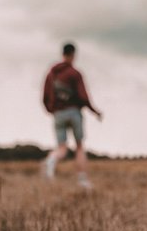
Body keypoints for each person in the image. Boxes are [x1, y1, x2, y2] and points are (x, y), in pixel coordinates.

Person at [42, 42, 103, 189]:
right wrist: (95, 112)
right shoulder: (75, 73)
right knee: (80, 147)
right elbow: (83, 97)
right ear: (73, 55)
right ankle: (82, 180)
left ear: (62, 54)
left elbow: (45, 97)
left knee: (61, 148)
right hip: (74, 113)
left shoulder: (51, 74)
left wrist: (53, 110)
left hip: (58, 114)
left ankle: (51, 161)